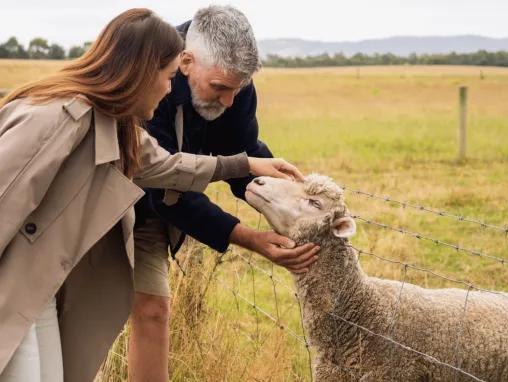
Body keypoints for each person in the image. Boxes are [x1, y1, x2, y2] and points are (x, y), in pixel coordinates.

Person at [0, 8, 303, 382]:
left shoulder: (122, 123)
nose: (168, 89)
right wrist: (249, 237)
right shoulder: (54, 118)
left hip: (43, 282)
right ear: (156, 71)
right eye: (168, 77)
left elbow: (167, 166)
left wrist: (253, 169)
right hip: (22, 281)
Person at [128, 5, 320, 381]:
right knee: (93, 314)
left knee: (153, 310)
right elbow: (164, 183)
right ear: (186, 63)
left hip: (161, 204)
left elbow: (243, 158)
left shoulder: (234, 86)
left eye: (239, 89)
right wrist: (249, 238)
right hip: (114, 199)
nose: (230, 101)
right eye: (220, 88)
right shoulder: (149, 79)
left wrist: (300, 204)